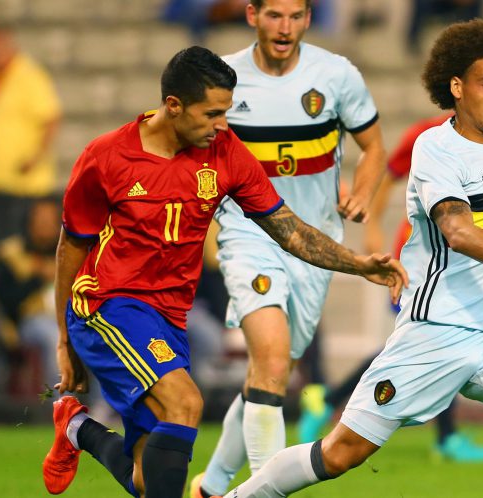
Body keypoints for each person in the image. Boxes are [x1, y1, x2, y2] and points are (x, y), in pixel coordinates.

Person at [223, 19, 483, 498]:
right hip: (438, 332)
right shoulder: (435, 147)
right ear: (457, 87)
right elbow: (457, 230)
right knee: (340, 452)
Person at [41, 45, 406, 498]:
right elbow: (71, 248)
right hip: (108, 304)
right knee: (186, 403)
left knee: (146, 478)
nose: (222, 125)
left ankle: (75, 427)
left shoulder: (225, 152)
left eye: (226, 112)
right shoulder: (106, 157)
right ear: (174, 106)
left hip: (170, 315)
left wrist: (359, 264)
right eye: (212, 113)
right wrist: (64, 339)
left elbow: (289, 230)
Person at [187, 1, 388, 496]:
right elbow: (193, 154)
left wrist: (363, 192)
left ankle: (212, 486)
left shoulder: (335, 75)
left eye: (296, 15)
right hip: (249, 234)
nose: (285, 27)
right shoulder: (224, 78)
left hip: (315, 243)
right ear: (251, 15)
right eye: (275, 15)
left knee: (271, 373)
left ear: (308, 18)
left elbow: (374, 147)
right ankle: (262, 490)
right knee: (273, 362)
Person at [295, 112, 483, 463]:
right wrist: (372, 228)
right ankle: (445, 438)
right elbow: (389, 175)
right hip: (425, 257)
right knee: (436, 337)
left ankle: (329, 402)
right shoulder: (429, 132)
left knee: (433, 341)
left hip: (461, 257)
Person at [0, 25, 62, 249]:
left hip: (24, 184)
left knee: (19, 246)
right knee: (0, 248)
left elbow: (50, 119)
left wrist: (35, 157)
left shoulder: (29, 76)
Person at [0, 196, 62, 391]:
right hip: (27, 323)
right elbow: (7, 301)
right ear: (29, 222)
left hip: (69, 319)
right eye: (40, 220)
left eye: (50, 220)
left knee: (102, 333)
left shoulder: (70, 253)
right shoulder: (10, 253)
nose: (45, 226)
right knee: (53, 336)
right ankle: (62, 403)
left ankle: (102, 404)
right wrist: (37, 279)